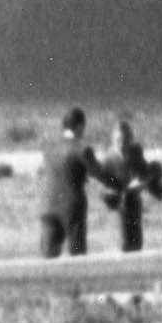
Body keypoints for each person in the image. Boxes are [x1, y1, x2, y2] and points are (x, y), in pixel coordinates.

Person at [39, 107, 108, 259]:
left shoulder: (48, 147)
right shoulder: (81, 148)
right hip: (71, 206)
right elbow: (99, 173)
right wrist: (119, 183)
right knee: (77, 255)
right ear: (80, 126)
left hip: (48, 204)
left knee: (48, 257)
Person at [103, 114, 162, 253]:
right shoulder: (109, 158)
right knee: (124, 244)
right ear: (113, 140)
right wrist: (124, 189)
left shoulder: (135, 152)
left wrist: (151, 182)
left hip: (134, 204)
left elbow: (144, 173)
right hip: (119, 207)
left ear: (130, 140)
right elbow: (107, 187)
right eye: (118, 140)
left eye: (125, 140)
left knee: (137, 245)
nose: (122, 143)